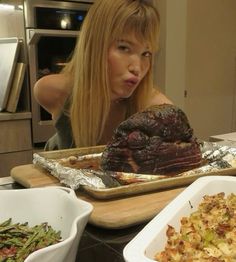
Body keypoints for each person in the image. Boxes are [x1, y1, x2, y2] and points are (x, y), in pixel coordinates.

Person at [34, 0, 172, 151]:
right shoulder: (54, 91)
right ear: (95, 46)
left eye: (146, 53)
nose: (137, 68)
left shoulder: (155, 108)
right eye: (124, 48)